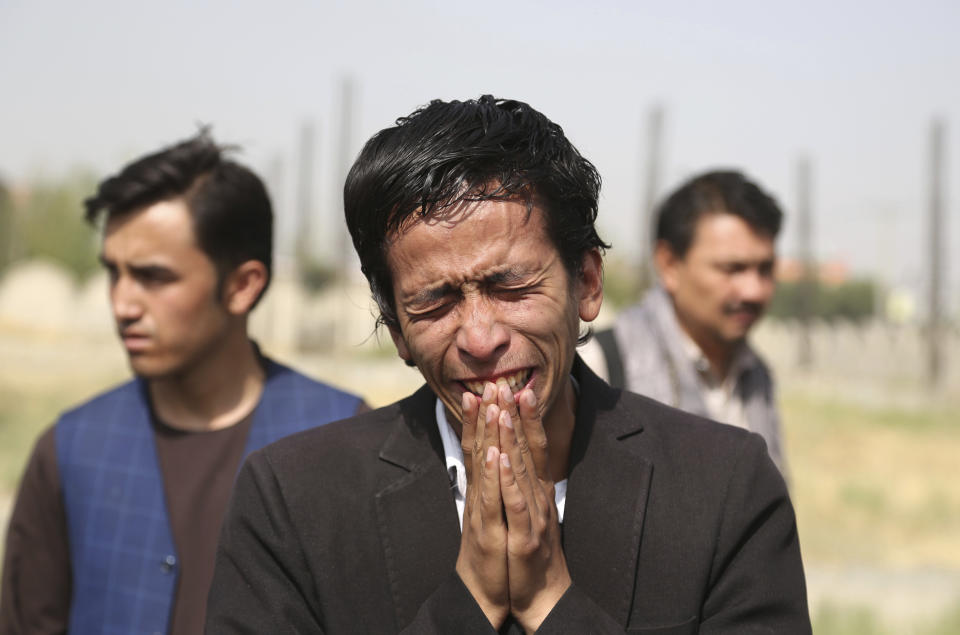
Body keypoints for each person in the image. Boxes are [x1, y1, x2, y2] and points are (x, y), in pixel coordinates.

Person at [207, 97, 810, 633]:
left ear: (587, 284)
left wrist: (550, 598)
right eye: (434, 301)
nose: (480, 337)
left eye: (513, 286)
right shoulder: (294, 501)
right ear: (396, 329)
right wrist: (469, 599)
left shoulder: (724, 486)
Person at [0, 131, 366, 635]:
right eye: (114, 273)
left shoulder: (343, 440)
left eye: (154, 277)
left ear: (242, 286)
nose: (123, 304)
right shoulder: (68, 450)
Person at [582, 170, 787, 472]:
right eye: (733, 268)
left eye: (765, 269)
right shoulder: (599, 366)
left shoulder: (755, 376)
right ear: (669, 264)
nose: (753, 291)